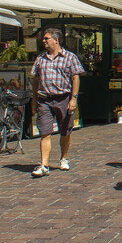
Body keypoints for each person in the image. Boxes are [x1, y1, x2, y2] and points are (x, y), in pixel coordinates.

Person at [30, 27, 85, 178]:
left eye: (46, 38)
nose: (43, 41)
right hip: (45, 100)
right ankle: (44, 165)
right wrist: (34, 100)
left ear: (56, 40)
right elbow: (35, 79)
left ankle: (63, 158)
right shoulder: (41, 58)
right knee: (45, 132)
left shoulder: (69, 57)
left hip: (63, 98)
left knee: (65, 130)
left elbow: (75, 78)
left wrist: (74, 98)